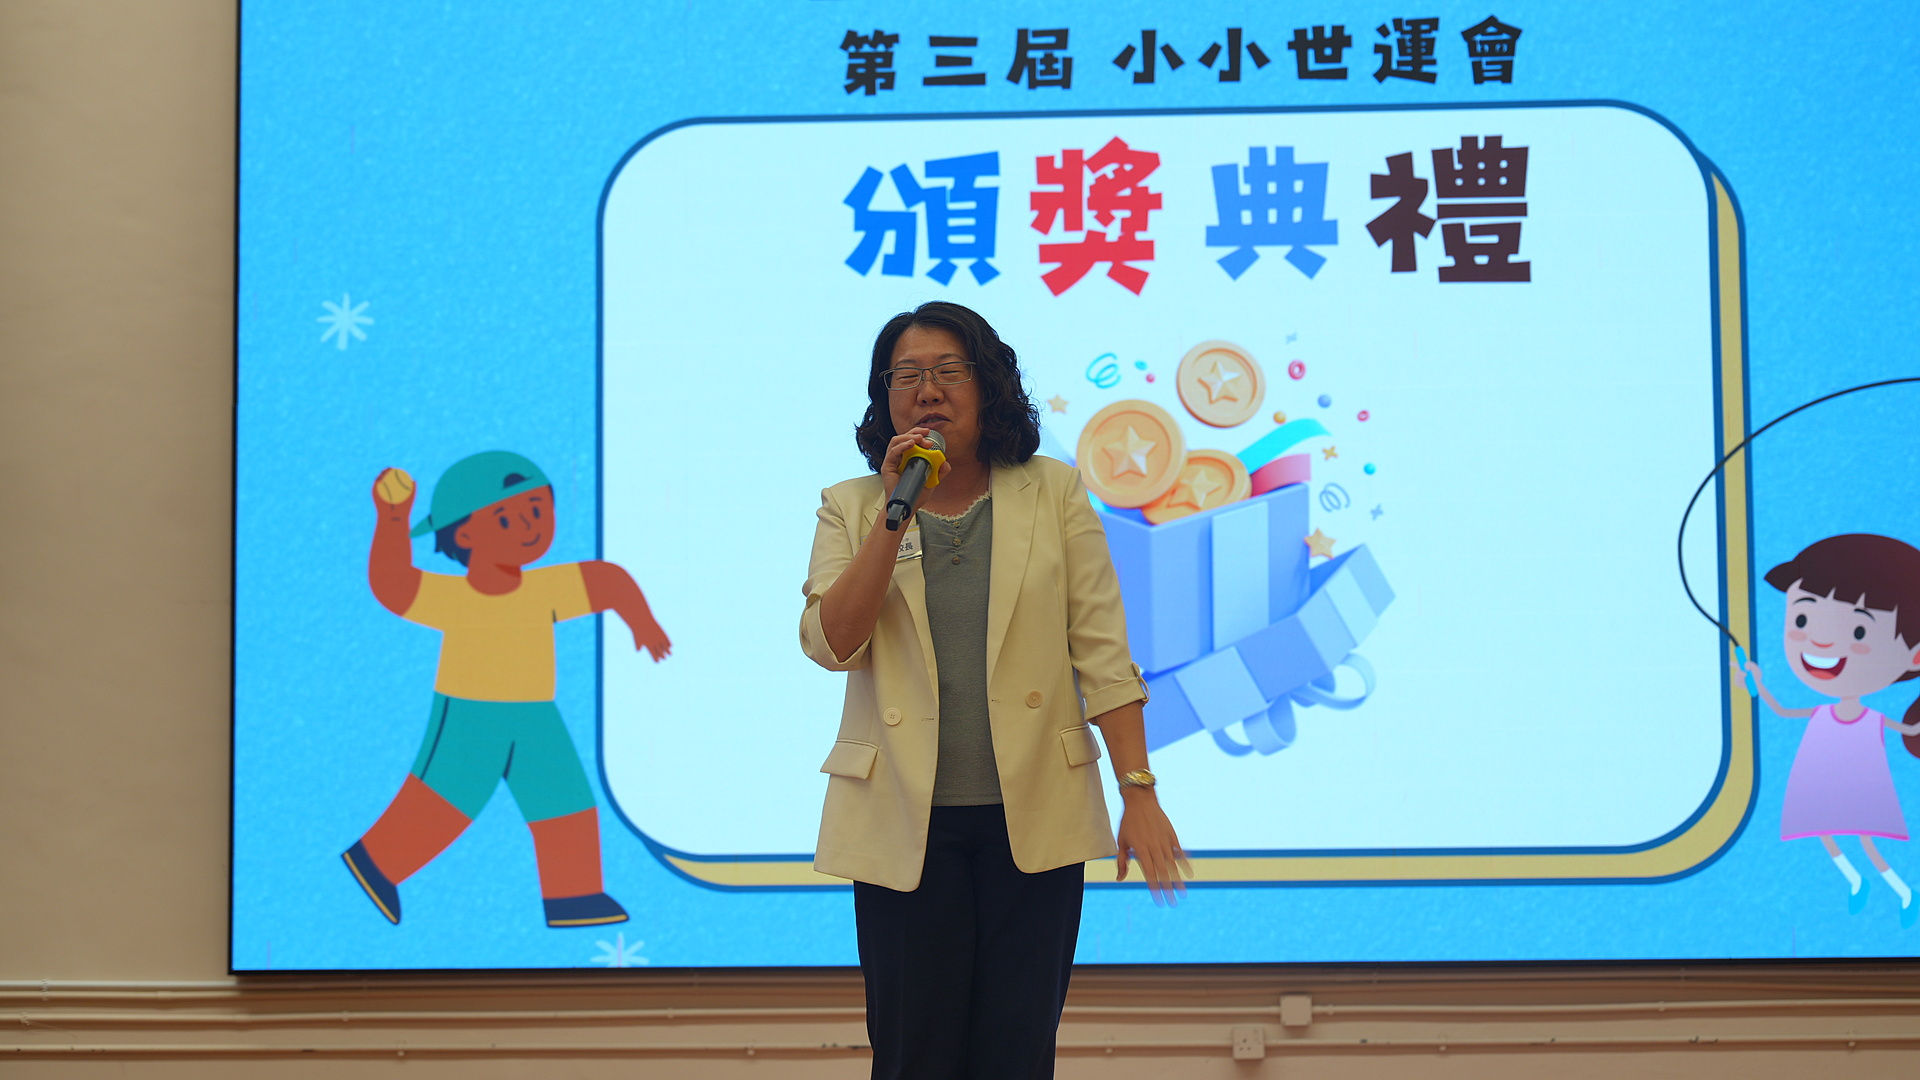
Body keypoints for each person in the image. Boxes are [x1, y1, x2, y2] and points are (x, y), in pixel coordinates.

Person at [800, 302, 1188, 1079]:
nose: (927, 390)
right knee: (914, 1055)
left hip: (1032, 821)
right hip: (903, 825)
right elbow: (832, 643)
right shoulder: (854, 505)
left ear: (989, 385)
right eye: (907, 375)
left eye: (949, 371)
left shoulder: (1054, 491)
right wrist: (892, 514)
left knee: (1017, 1054)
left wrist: (1138, 790)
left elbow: (1103, 654)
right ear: (885, 395)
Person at [343, 450, 671, 929]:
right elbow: (392, 584)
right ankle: (376, 862)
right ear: (464, 535)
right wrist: (393, 517)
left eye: (538, 509)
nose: (529, 524)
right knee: (444, 800)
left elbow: (606, 580)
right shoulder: (452, 598)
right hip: (469, 714)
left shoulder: (545, 588)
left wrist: (641, 621)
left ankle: (574, 895)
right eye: (505, 516)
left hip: (536, 717)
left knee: (565, 800)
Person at [1740, 533, 1920, 928]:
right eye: (1802, 619)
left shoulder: (1870, 718)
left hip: (1860, 785)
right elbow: (1783, 711)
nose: (1820, 640)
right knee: (1825, 832)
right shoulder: (1823, 712)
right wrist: (1757, 683)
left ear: (1915, 655)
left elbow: (1908, 726)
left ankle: (1903, 891)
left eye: (1859, 632)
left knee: (1866, 840)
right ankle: (1856, 881)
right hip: (1823, 783)